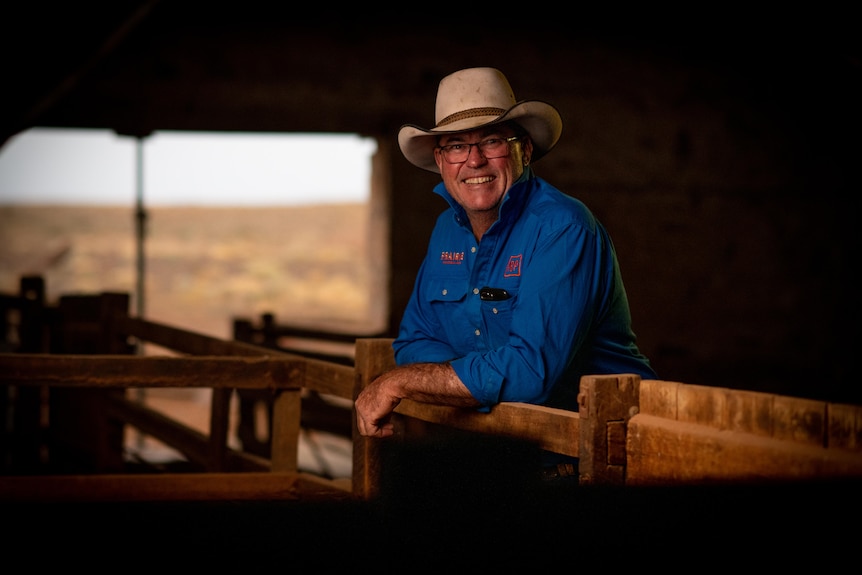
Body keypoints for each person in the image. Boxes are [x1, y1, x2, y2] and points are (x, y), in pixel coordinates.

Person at [354, 67, 656, 476]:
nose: (474, 160)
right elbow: (413, 342)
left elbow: (530, 371)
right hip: (507, 455)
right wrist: (482, 377)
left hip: (597, 460)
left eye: (492, 141)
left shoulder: (563, 228)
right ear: (441, 161)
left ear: (524, 150)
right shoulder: (447, 230)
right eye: (456, 146)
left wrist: (402, 382)